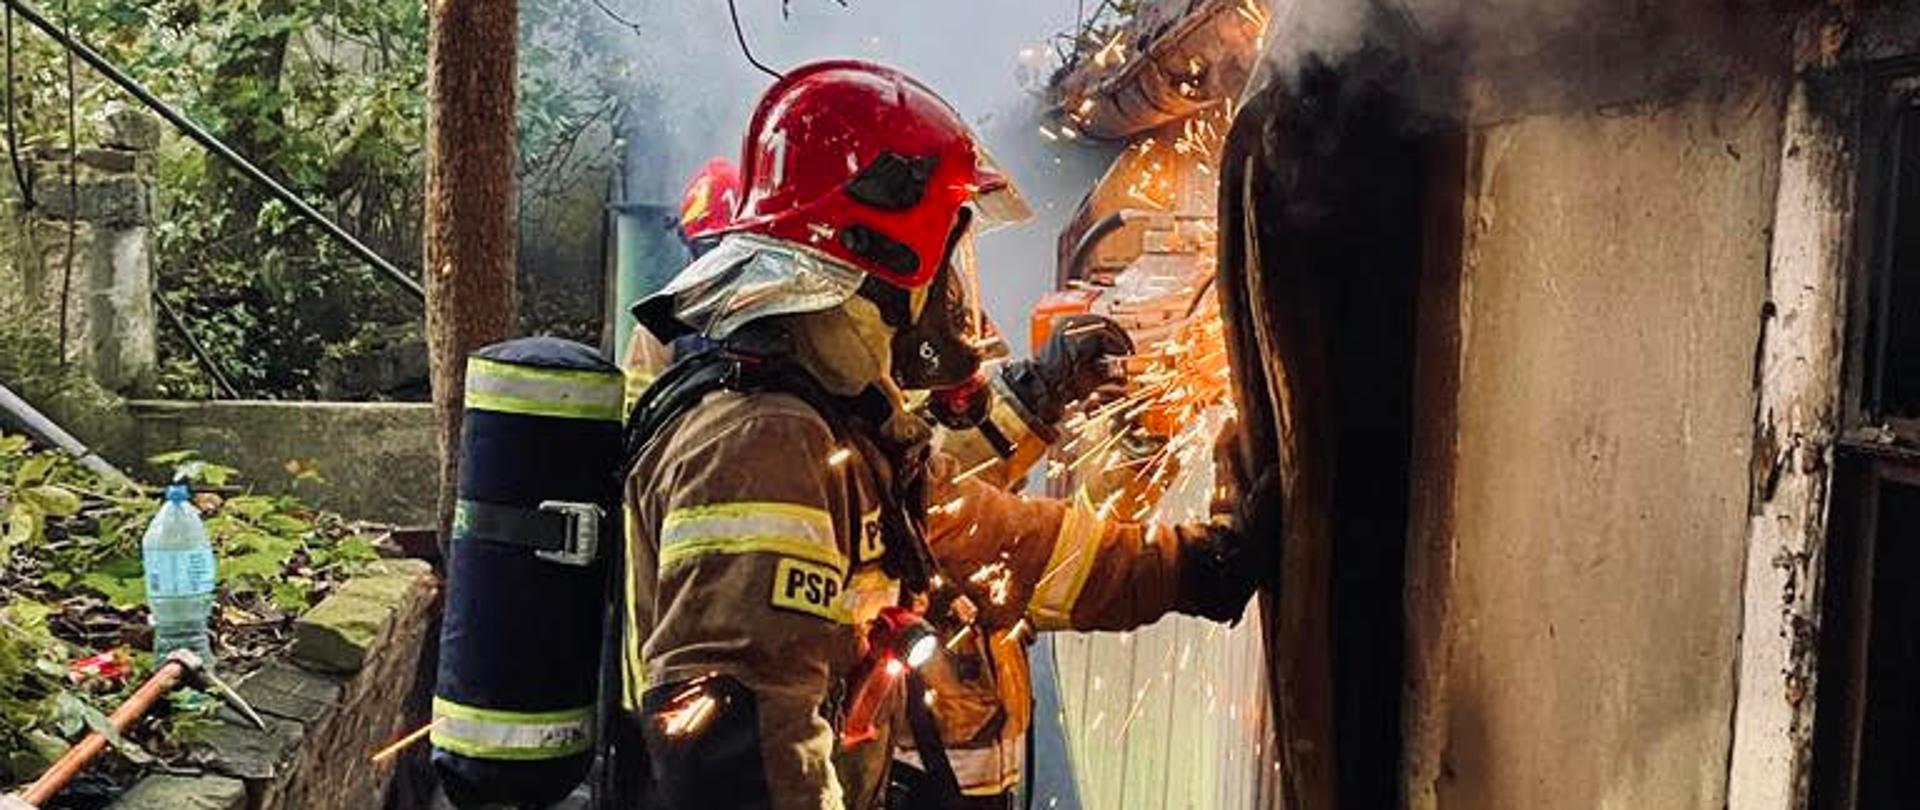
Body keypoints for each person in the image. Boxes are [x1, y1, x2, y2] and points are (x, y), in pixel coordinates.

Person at [616, 59, 1277, 810]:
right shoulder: (765, 444)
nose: (952, 290)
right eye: (945, 258)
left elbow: (1014, 546)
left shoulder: (845, 430)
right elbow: (739, 750)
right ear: (877, 258)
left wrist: (1197, 566)